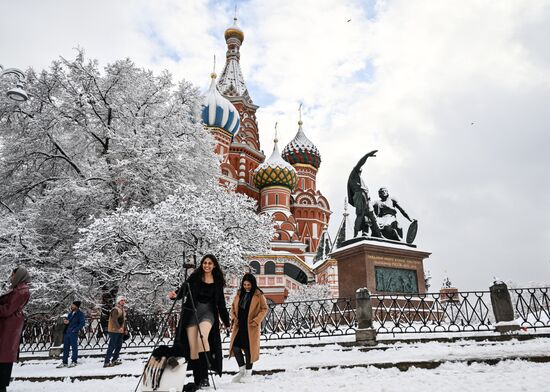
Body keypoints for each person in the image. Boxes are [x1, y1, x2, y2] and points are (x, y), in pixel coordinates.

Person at [168, 254, 230, 391]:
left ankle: (205, 377)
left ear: (214, 265)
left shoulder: (218, 281)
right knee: (193, 347)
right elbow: (184, 289)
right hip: (192, 313)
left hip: (208, 313)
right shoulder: (195, 277)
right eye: (205, 263)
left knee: (202, 336)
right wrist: (175, 295)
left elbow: (221, 304)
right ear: (202, 264)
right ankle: (198, 379)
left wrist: (226, 322)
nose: (207, 265)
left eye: (210, 263)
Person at [229, 273, 268, 383]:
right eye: (244, 284)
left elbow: (264, 308)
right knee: (236, 347)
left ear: (253, 284)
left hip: (250, 326)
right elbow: (233, 307)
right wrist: (234, 317)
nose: (246, 286)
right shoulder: (239, 293)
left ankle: (248, 373)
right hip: (239, 325)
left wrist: (256, 320)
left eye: (248, 285)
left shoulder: (258, 295)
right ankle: (242, 371)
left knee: (248, 349)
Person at [0, 266, 31, 392]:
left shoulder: (21, 291)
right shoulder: (17, 289)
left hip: (8, 329)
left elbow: (7, 310)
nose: (11, 276)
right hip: (7, 328)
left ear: (18, 275)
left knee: (3, 362)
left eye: (13, 274)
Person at [347, 150, 382, 238]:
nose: (360, 171)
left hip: (366, 198)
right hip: (359, 196)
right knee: (360, 215)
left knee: (373, 217)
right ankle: (355, 235)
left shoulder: (359, 178)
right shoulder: (353, 174)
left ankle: (380, 235)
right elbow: (360, 163)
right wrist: (367, 155)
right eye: (360, 170)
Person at [56, 301, 86, 368]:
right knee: (65, 348)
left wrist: (75, 329)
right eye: (71, 305)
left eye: (73, 305)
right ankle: (64, 362)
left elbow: (82, 323)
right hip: (67, 332)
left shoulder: (80, 314)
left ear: (76, 306)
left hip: (73, 333)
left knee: (74, 348)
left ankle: (74, 361)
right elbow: (68, 321)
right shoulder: (70, 314)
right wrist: (66, 322)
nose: (71, 306)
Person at [103, 295, 127, 368]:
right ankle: (106, 362)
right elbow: (114, 319)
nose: (123, 302)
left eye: (124, 300)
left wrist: (125, 329)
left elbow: (123, 321)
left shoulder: (122, 310)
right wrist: (119, 327)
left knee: (118, 346)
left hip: (120, 331)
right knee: (112, 346)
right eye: (122, 300)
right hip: (114, 330)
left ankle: (114, 360)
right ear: (118, 301)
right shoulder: (115, 309)